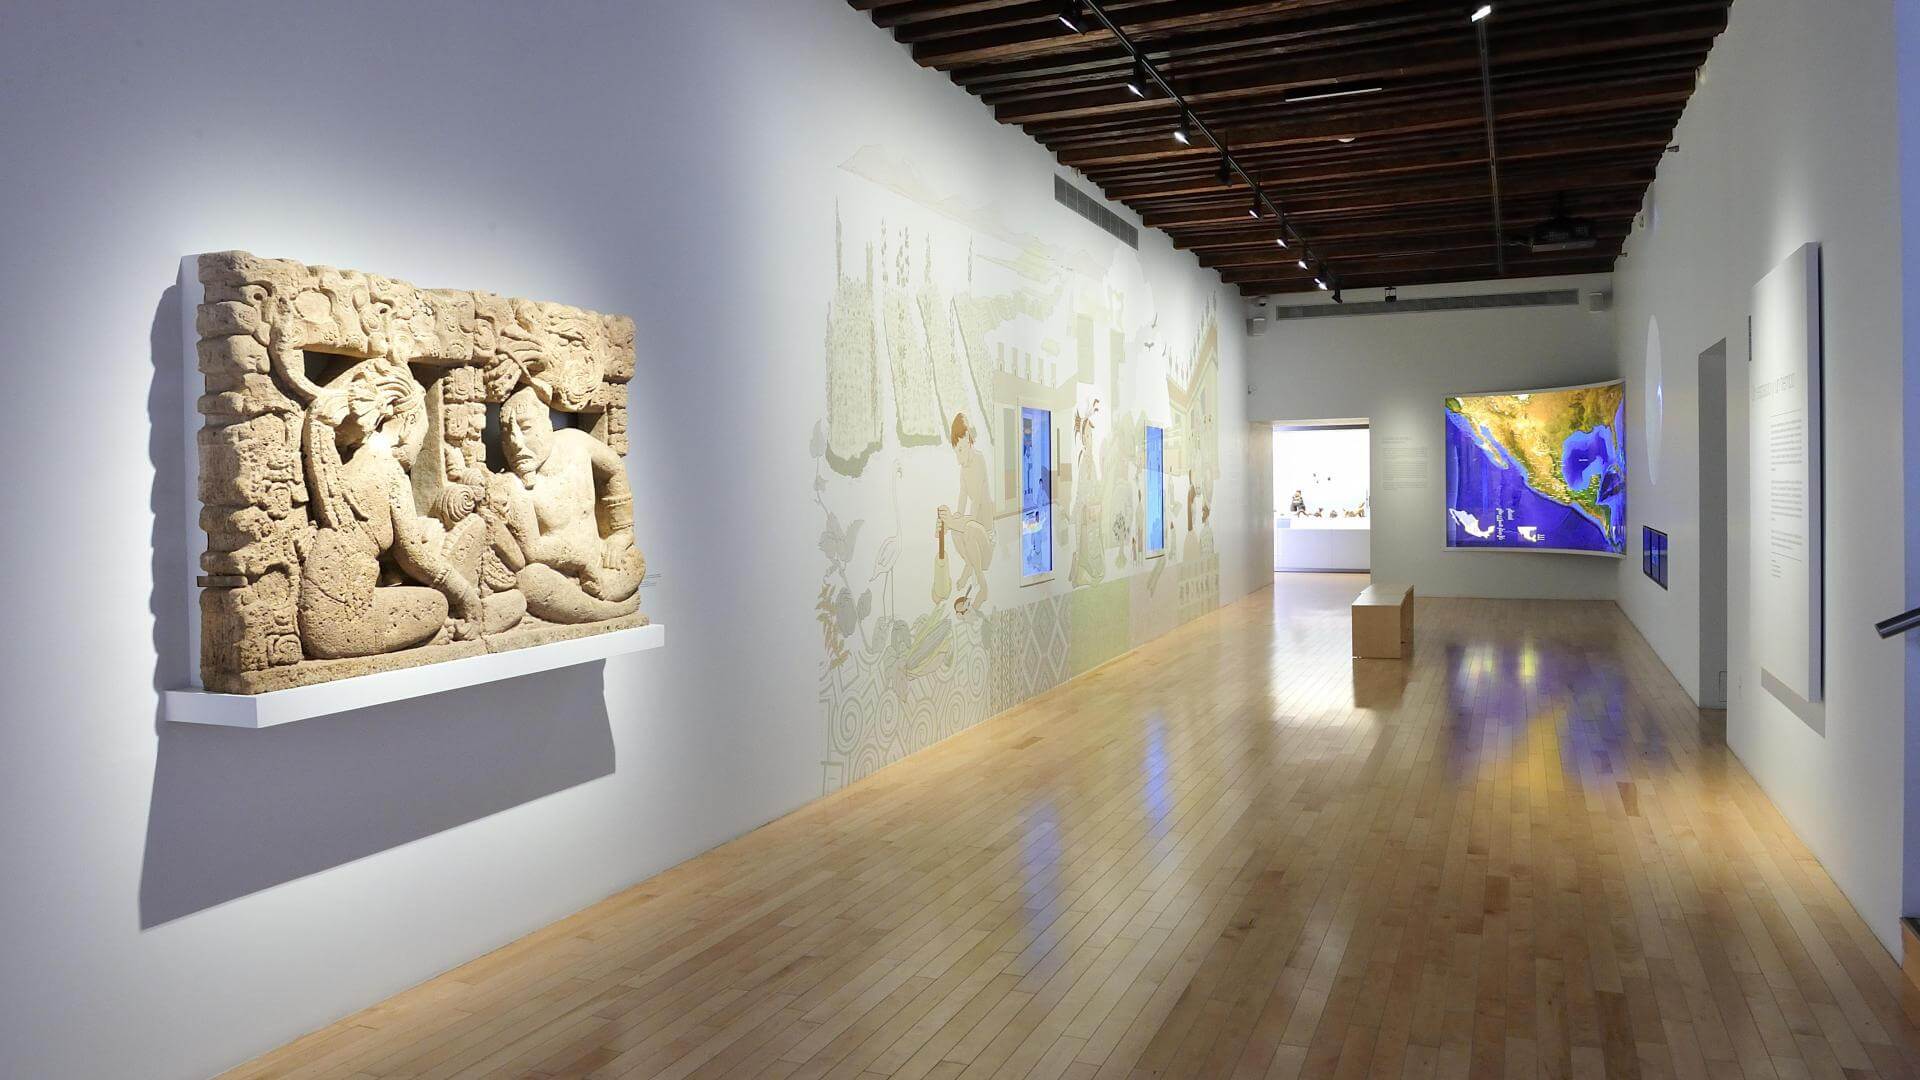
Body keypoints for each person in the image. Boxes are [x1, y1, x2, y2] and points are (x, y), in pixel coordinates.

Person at [297, 353, 485, 658]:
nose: (418, 450)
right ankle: (432, 635)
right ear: (410, 423)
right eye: (421, 440)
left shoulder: (353, 463)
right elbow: (413, 556)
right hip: (342, 620)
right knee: (437, 605)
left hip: (320, 606)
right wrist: (465, 596)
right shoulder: (387, 469)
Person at [489, 386, 645, 623]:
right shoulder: (513, 486)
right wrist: (581, 562)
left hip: (601, 561)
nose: (516, 443)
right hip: (562, 575)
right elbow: (532, 550)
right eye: (506, 434)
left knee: (635, 560)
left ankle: (604, 594)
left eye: (526, 428)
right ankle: (606, 610)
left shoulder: (575, 442)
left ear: (547, 424)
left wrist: (621, 533)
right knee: (530, 580)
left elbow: (614, 468)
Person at [935, 412, 993, 611]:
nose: (959, 459)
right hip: (975, 531)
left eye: (960, 450)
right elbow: (962, 500)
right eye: (956, 452)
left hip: (987, 536)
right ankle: (970, 565)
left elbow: (975, 507)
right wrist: (952, 521)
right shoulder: (964, 469)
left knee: (966, 530)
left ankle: (983, 587)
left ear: (968, 438)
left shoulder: (979, 461)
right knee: (957, 529)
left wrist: (955, 522)